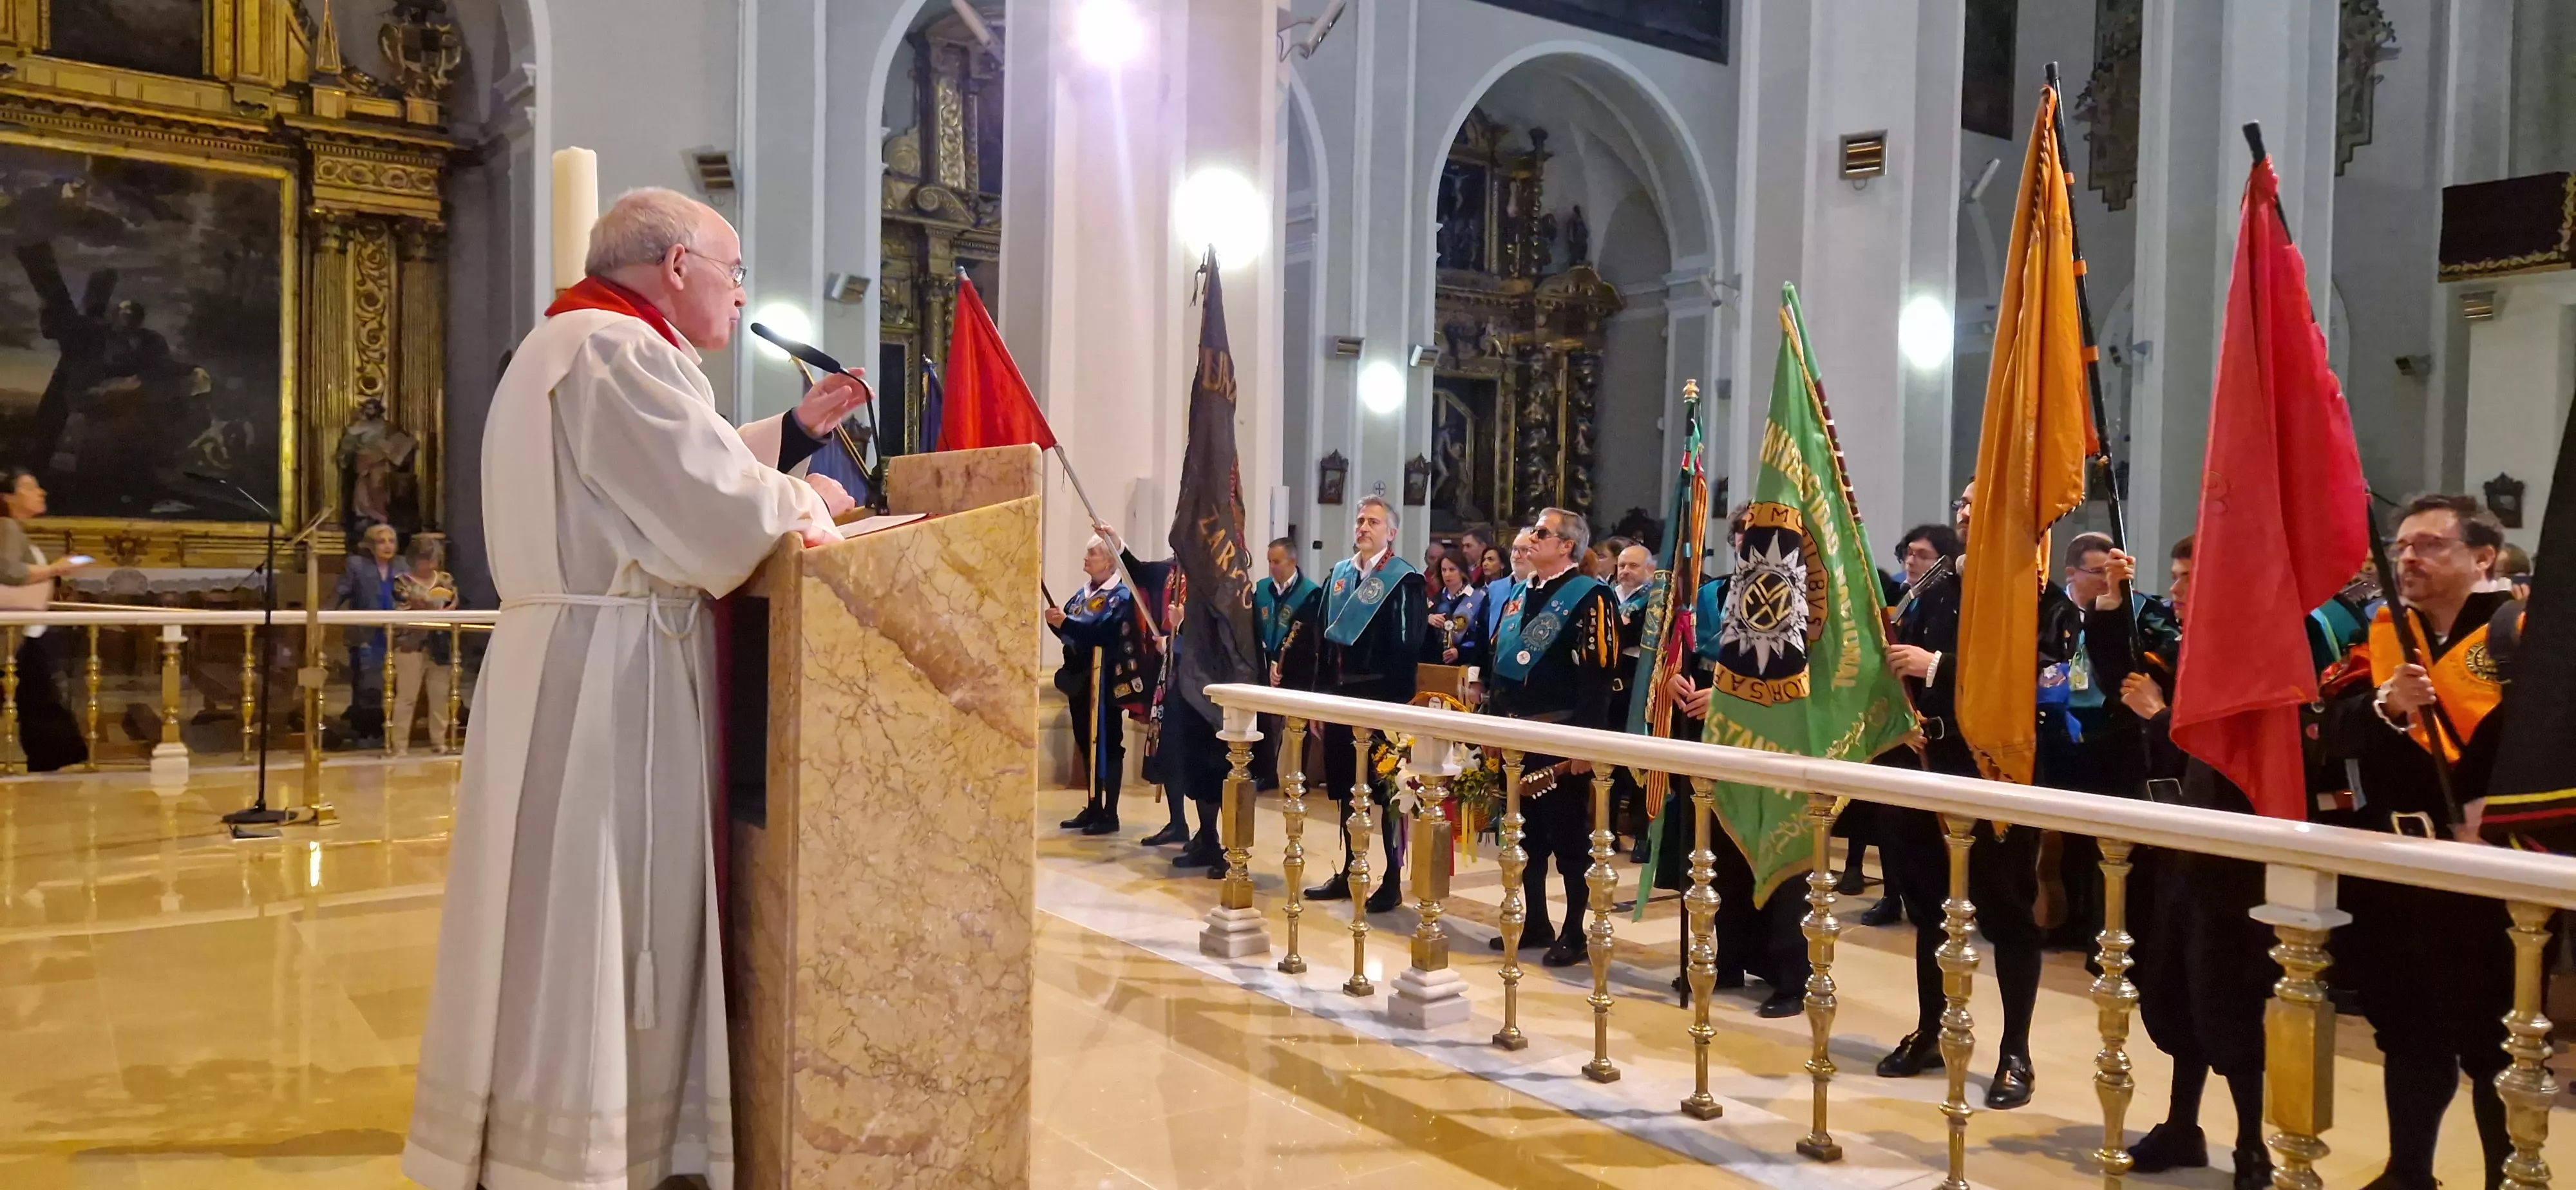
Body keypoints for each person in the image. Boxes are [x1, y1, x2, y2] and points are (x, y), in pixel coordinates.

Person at [404, 187, 860, 1190]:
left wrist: (786, 431)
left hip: (562, 659)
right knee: (598, 903)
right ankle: (590, 1144)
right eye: (733, 271)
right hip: (613, 679)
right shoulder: (622, 350)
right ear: (678, 265)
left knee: (548, 908)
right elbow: (709, 517)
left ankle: (529, 1129)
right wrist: (812, 497)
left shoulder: (569, 345)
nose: (741, 294)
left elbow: (654, 477)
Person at [2324, 495, 2521, 1190]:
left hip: (2491, 868)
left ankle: (2508, 1176)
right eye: (2402, 545)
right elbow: (2332, 730)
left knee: (2494, 1040)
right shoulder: (2386, 632)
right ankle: (2408, 1170)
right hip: (2395, 861)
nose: (2408, 557)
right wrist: (2386, 706)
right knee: (2404, 1026)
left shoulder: (2524, 635)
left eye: (2430, 545)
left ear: (2482, 558)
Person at [1870, 484, 2076, 1110]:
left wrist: (1937, 667)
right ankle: (1932, 1027)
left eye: (1982, 498)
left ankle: (2016, 1051)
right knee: (1928, 907)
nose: (1966, 510)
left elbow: (2041, 674)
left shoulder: (2036, 595)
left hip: (1993, 769)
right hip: (1922, 761)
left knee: (2006, 911)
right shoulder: (1931, 585)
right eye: (1962, 502)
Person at [2086, 544, 2275, 1189]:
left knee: (2230, 1000)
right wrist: (2112, 609)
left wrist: (2160, 718)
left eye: (2190, 580)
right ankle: (2181, 1124)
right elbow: (2127, 681)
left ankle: (2253, 1144)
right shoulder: (2191, 648)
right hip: (2175, 848)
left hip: (2232, 858)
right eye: (2173, 580)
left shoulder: (2253, 657)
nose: (2177, 592)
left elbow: (2235, 758)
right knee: (2174, 992)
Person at [1483, 506, 1622, 967]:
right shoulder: (1520, 594)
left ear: (1567, 546)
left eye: (1542, 532)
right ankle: (1537, 921)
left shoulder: (1589, 596)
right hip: (1516, 733)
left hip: (1561, 734)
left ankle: (1575, 931)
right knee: (1525, 838)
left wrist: (1586, 743)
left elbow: (1598, 676)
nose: (1531, 538)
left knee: (1567, 839)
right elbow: (1500, 664)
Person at [1305, 495, 1424, 914]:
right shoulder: (1338, 575)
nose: (1363, 528)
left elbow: (1408, 646)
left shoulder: (1404, 579)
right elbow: (1322, 640)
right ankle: (1350, 867)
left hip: (1383, 699)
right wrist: (1321, 698)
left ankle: (1391, 878)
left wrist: (1399, 711)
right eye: (1360, 521)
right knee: (1345, 789)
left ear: (1390, 533)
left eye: (1373, 522)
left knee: (1387, 792)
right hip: (1340, 697)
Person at [1097, 522, 1229, 874]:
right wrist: (1115, 542)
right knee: (1170, 750)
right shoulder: (1169, 573)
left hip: (1203, 687)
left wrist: (1179, 634)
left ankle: (1212, 838)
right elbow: (1137, 570)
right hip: (1171, 677)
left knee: (1205, 762)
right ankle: (1183, 824)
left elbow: (1221, 635)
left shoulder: (1217, 581)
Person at [1050, 533, 1150, 835]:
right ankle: (1093, 805)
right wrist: (1059, 624)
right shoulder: (1083, 594)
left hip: (1106, 683)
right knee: (1085, 741)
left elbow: (1103, 631)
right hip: (1081, 680)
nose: (1086, 559)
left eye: (1092, 554)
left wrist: (1064, 624)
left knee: (1108, 744)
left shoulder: (1120, 596)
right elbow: (1073, 630)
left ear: (1109, 561)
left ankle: (1110, 812)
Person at [0, 468, 86, 771]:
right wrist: (55, 569)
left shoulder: (12, 528)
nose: (42, 492)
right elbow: (8, 572)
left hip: (23, 633)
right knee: (39, 697)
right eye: (31, 487)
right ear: (8, 497)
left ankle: (51, 761)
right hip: (16, 634)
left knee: (38, 697)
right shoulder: (7, 526)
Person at [1255, 537, 1323, 788]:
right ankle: (1267, 773)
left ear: (1292, 561)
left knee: (1297, 724)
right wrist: (1268, 662)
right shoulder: (1262, 590)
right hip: (1264, 665)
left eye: (1277, 561)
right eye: (1270, 562)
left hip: (1297, 669)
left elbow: (1304, 636)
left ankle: (1298, 776)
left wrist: (1280, 662)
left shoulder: (1311, 594)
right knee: (1266, 721)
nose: (1273, 567)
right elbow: (1254, 627)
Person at [334, 524, 403, 749]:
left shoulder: (402, 566)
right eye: (382, 541)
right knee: (365, 685)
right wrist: (321, 615)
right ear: (371, 545)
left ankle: (388, 729)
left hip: (394, 634)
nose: (387, 546)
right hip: (366, 634)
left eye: (391, 541)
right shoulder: (357, 565)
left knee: (391, 684)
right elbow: (341, 592)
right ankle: (366, 732)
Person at [388, 536, 459, 757]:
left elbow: (453, 604)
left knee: (439, 696)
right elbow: (406, 605)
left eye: (433, 559)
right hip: (410, 644)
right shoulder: (401, 582)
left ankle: (439, 741)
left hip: (440, 645)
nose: (429, 564)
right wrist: (430, 608)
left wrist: (439, 611)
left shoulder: (445, 580)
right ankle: (399, 745)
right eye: (424, 559)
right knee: (406, 697)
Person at [1609, 541, 1655, 858]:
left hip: (1639, 686)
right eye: (1622, 565)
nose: (1625, 571)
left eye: (1633, 566)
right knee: (1608, 762)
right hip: (1610, 688)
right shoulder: (1607, 595)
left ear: (1649, 570)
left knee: (1639, 762)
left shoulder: (1654, 598)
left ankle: (1641, 835)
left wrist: (1619, 633)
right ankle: (1606, 830)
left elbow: (1637, 636)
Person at [1423, 551, 1485, 668]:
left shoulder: (1478, 599)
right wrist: (1428, 619)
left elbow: (1480, 637)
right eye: (1444, 570)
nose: (1447, 574)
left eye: (1452, 570)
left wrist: (1460, 653)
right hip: (1435, 664)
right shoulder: (1435, 600)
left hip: (1465, 665)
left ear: (1462, 571)